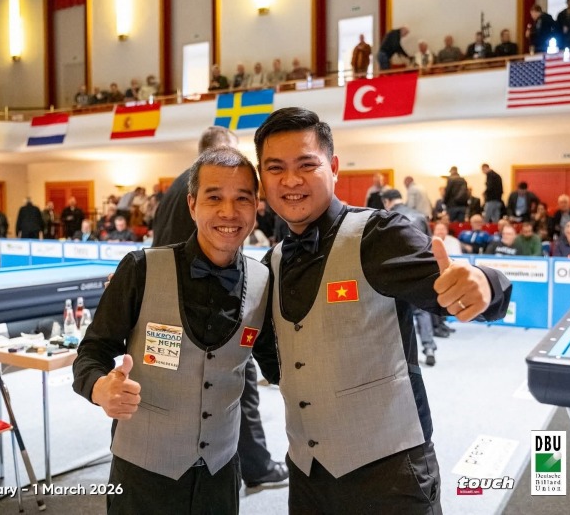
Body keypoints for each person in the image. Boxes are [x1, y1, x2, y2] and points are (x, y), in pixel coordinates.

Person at [251, 107, 511, 514]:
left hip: (391, 475)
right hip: (308, 476)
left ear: (333, 167)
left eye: (306, 165)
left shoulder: (380, 235)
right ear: (262, 178)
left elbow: (457, 285)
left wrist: (485, 283)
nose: (291, 180)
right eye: (275, 168)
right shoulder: (273, 262)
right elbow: (274, 358)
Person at [73, 148, 270, 513]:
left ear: (256, 207)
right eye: (214, 198)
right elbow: (92, 352)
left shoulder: (263, 281)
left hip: (221, 473)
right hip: (143, 473)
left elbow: (280, 363)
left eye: (242, 198)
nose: (229, 212)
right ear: (192, 205)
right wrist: (100, 388)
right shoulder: (140, 269)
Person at [150, 125, 289, 488]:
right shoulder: (196, 189)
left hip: (168, 301)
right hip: (203, 301)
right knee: (236, 381)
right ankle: (256, 466)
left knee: (180, 387)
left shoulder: (174, 188)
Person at [381, 188, 437, 367]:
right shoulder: (419, 215)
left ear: (387, 201)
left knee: (398, 314)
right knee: (422, 311)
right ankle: (429, 348)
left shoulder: (386, 217)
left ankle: (404, 357)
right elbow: (430, 244)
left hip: (396, 273)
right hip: (421, 271)